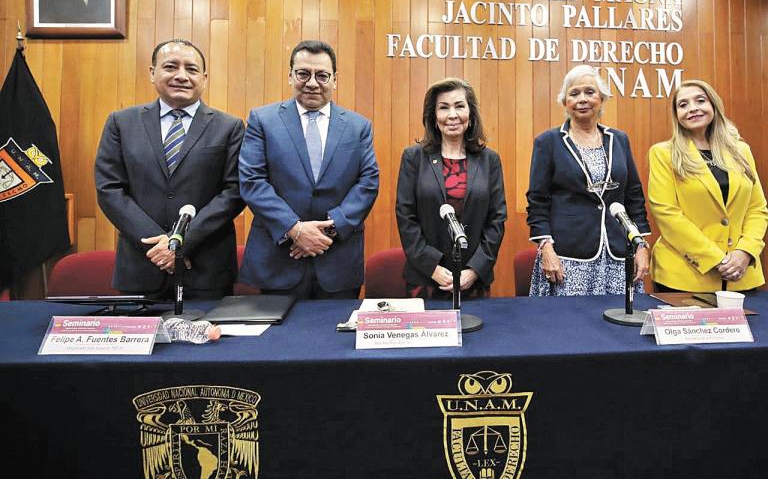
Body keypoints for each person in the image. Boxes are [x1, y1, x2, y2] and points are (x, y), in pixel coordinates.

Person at [95, 39, 245, 299]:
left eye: (191, 69)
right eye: (171, 67)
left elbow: (235, 192)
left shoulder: (230, 127)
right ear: (152, 73)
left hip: (206, 269)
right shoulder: (121, 123)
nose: (181, 76)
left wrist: (180, 242)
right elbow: (110, 189)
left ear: (204, 78)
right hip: (142, 265)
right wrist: (159, 243)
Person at [239, 40, 379, 299]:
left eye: (322, 75)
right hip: (279, 259)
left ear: (334, 80)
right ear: (290, 75)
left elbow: (368, 181)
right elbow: (252, 180)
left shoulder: (358, 127)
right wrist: (295, 229)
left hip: (337, 259)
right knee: (277, 340)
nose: (312, 82)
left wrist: (329, 227)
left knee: (337, 338)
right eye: (303, 73)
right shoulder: (263, 120)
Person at [526, 64, 650, 296]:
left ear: (602, 98)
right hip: (568, 256)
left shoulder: (620, 140)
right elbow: (537, 200)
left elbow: (633, 196)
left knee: (619, 325)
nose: (582, 99)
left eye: (589, 92)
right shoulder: (548, 142)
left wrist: (641, 244)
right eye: (574, 94)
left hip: (618, 254)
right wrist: (546, 248)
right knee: (572, 326)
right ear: (565, 103)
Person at [648, 80, 768, 292]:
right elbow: (667, 215)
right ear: (676, 115)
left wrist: (745, 252)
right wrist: (716, 260)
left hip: (740, 275)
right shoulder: (663, 153)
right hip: (684, 277)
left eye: (700, 100)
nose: (692, 108)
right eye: (682, 105)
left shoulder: (741, 151)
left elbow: (757, 209)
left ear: (713, 105)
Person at [396, 78, 506, 299]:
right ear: (434, 117)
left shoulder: (489, 160)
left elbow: (497, 220)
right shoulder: (414, 157)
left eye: (459, 106)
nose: (452, 115)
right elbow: (406, 217)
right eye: (443, 107)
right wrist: (433, 268)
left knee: (476, 333)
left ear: (470, 114)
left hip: (472, 282)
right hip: (425, 279)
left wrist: (475, 270)